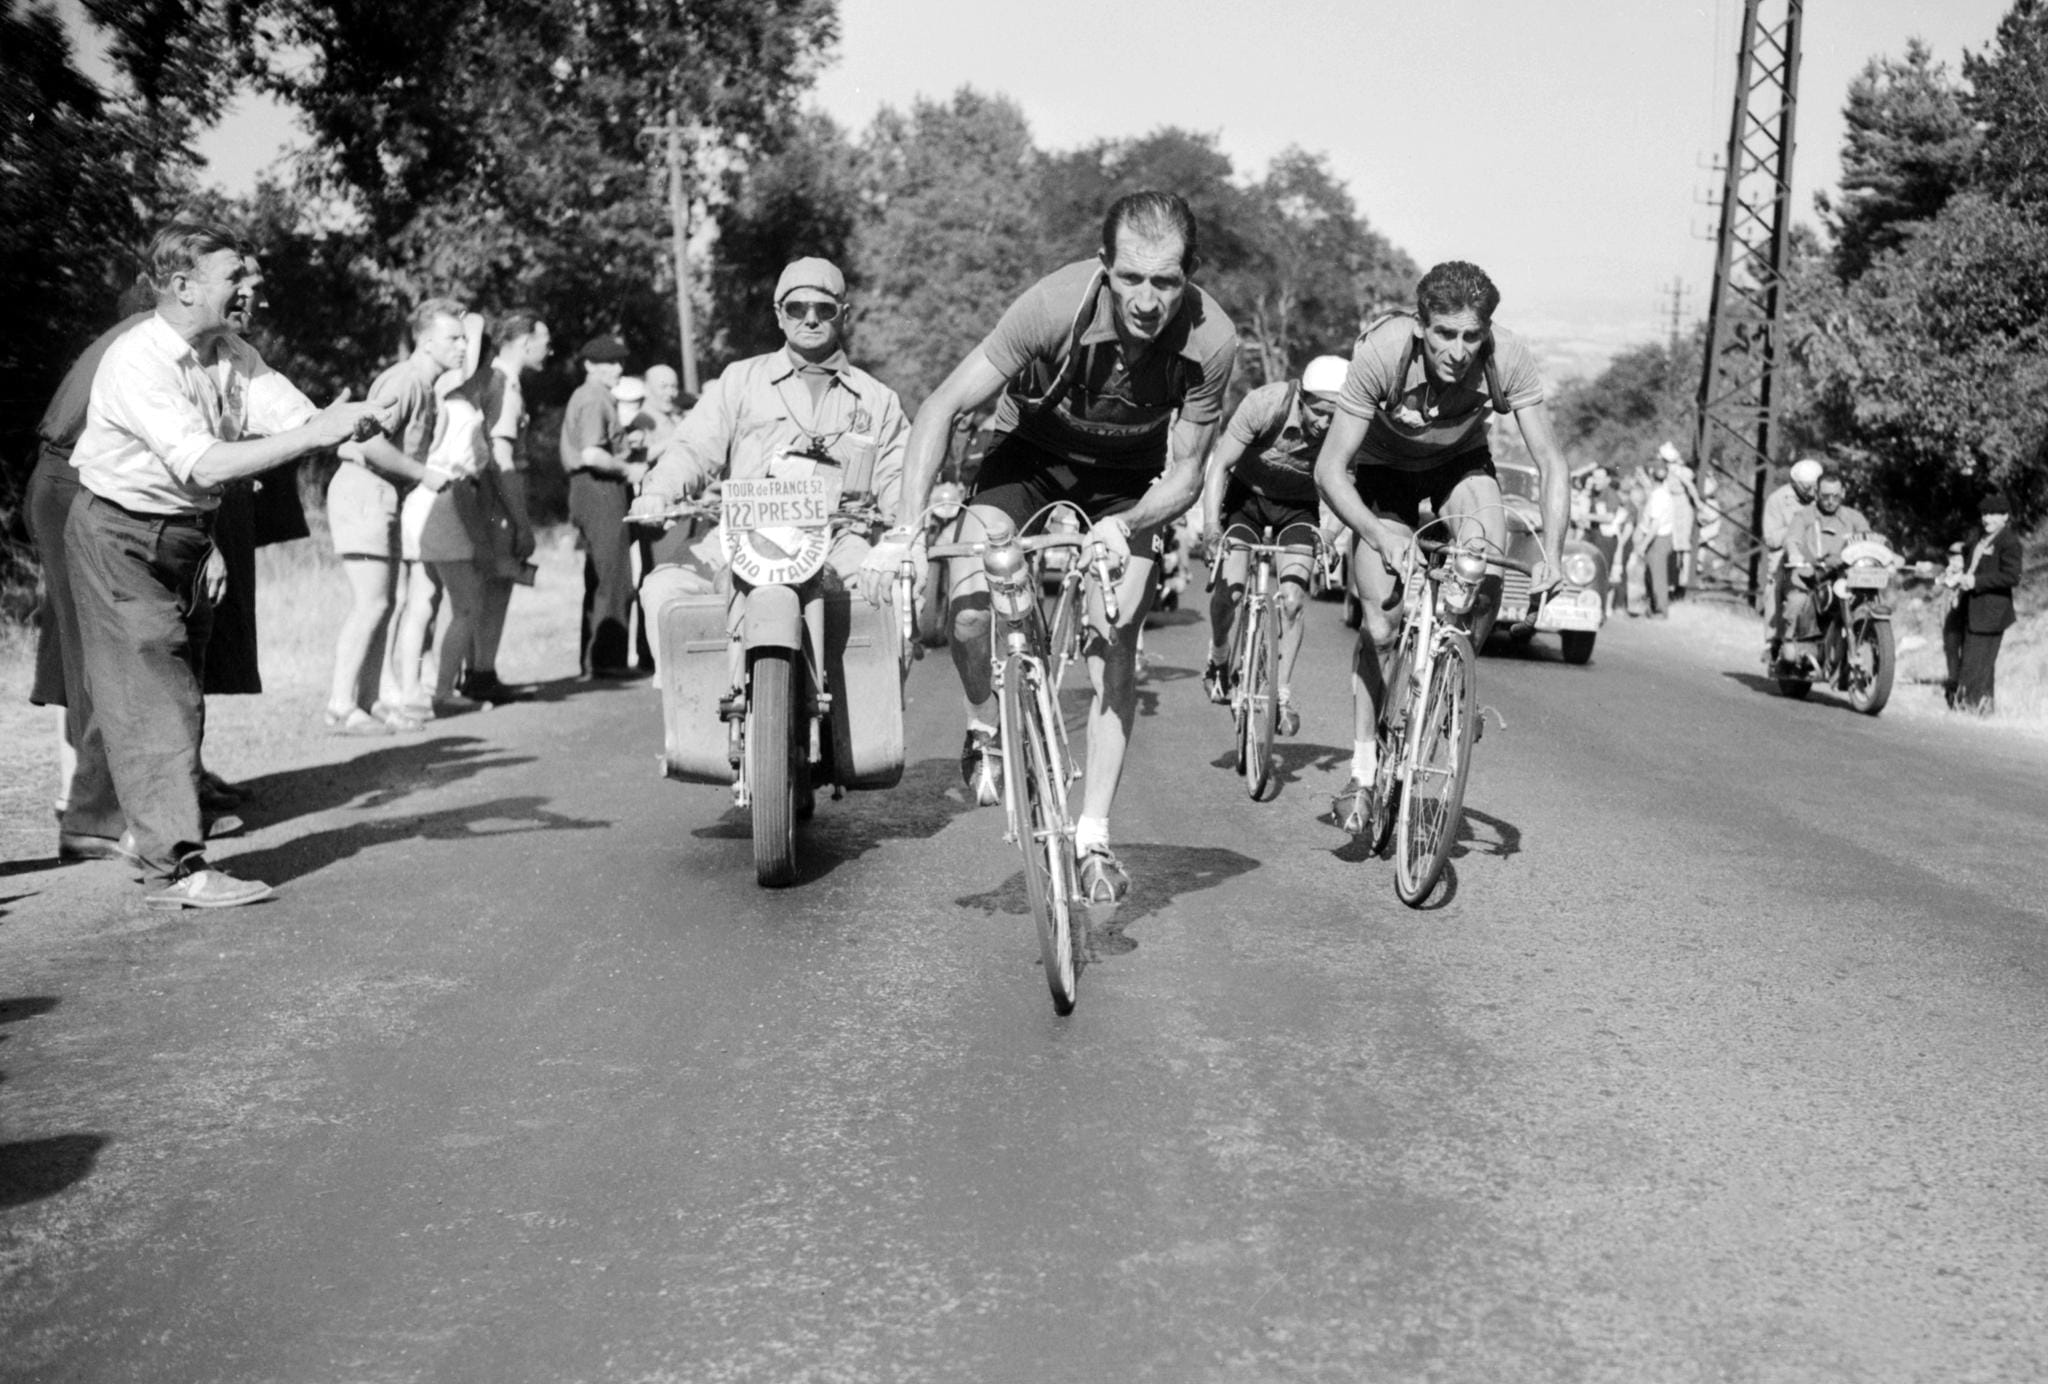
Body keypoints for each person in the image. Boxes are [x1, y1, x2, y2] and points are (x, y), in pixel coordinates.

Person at [856, 193, 1239, 904]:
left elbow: (1186, 470)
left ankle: (1093, 837)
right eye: (1130, 279)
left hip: (1129, 486)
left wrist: (1126, 527)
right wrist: (908, 532)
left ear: (1188, 279)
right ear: (1103, 267)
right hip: (1026, 459)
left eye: (1166, 282)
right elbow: (942, 405)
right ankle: (982, 727)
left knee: (1115, 638)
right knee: (970, 610)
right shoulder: (1051, 306)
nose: (1147, 300)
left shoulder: (1212, 341)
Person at [66, 219, 384, 907]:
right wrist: (319, 431)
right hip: (120, 536)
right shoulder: (139, 360)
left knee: (175, 688)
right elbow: (204, 460)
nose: (253, 286)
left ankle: (157, 835)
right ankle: (174, 868)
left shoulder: (231, 353)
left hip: (182, 531)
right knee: (157, 696)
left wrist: (353, 421)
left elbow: (294, 419)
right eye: (235, 275)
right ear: (182, 287)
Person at [1313, 261, 1567, 833]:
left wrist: (1552, 552)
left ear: (1487, 332)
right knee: (1380, 623)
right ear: (1422, 326)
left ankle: (1451, 681)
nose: (1458, 350)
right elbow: (1330, 468)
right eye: (1445, 334)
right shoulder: (1382, 352)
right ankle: (1361, 771)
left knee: (1485, 562)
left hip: (1458, 464)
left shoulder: (1509, 358)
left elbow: (1552, 461)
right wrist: (1377, 534)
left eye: (1471, 336)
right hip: (1384, 471)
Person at [630, 256, 910, 622]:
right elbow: (694, 447)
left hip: (837, 539)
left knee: (886, 594)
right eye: (797, 308)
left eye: (824, 309)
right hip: (739, 536)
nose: (810, 319)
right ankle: (704, 681)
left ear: (844, 314)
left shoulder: (877, 399)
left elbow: (897, 475)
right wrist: (660, 490)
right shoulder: (740, 381)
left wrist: (902, 525)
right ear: (779, 314)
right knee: (664, 591)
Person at [29, 289, 153, 859]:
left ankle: (105, 806)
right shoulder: (149, 341)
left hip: (77, 480)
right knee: (100, 653)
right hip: (76, 483)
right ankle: (95, 817)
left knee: (100, 649)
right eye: (238, 282)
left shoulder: (156, 336)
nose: (252, 300)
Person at [324, 297, 470, 733]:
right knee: (371, 604)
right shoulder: (406, 380)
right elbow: (366, 440)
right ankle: (340, 705)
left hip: (383, 495)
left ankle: (367, 702)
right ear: (425, 343)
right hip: (362, 490)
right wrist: (423, 474)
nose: (463, 346)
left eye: (464, 338)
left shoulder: (425, 387)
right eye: (454, 338)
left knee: (386, 604)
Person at [1199, 353, 1350, 737]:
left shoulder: (1349, 426)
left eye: (1335, 414)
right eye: (1319, 412)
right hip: (1246, 500)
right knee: (1230, 591)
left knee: (1293, 601)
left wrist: (1329, 537)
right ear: (1302, 399)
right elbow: (1219, 466)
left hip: (1298, 509)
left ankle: (1281, 694)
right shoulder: (1266, 405)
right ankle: (1219, 658)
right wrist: (1211, 530)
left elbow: (1349, 487)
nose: (1325, 423)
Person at [447, 309, 547, 703]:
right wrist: (522, 522)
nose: (549, 351)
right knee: (498, 582)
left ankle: (476, 671)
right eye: (545, 342)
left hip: (483, 491)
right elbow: (502, 456)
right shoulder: (504, 383)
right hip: (497, 495)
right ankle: (482, 672)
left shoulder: (489, 377)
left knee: (484, 584)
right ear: (525, 343)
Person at [561, 334, 648, 678]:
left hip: (595, 489)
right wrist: (629, 467)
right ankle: (607, 661)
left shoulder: (595, 396)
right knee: (613, 577)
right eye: (608, 362)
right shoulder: (594, 397)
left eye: (619, 361)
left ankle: (595, 659)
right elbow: (591, 453)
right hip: (598, 488)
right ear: (588, 366)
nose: (617, 368)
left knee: (602, 575)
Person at [1777, 472, 1871, 666]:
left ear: (1843, 493)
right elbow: (1792, 539)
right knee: (1798, 601)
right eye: (1825, 496)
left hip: (1846, 578)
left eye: (1835, 496)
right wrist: (1795, 553)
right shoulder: (1804, 516)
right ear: (1817, 494)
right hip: (1813, 577)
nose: (1830, 501)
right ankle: (1789, 645)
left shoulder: (1853, 518)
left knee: (1865, 599)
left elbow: (1869, 539)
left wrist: (1886, 556)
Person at [1951, 490, 2023, 712]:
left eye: (1993, 514)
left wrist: (1976, 582)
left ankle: (1968, 707)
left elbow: (2012, 576)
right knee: (1978, 661)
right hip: (1972, 609)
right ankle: (1982, 707)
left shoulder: (2009, 542)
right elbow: (1968, 563)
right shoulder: (1979, 540)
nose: (1987, 519)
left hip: (1992, 612)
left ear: (2005, 517)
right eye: (1984, 513)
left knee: (1977, 662)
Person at [1761, 457, 1824, 659]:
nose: (1813, 492)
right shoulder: (1778, 500)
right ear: (1795, 485)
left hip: (1818, 553)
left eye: (1816, 486)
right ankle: (1775, 640)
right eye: (1807, 487)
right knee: (1775, 585)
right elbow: (1770, 538)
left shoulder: (1823, 499)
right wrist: (1796, 527)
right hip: (1785, 556)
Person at [1640, 456, 1676, 618]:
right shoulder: (1662, 493)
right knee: (1655, 575)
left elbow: (1655, 525)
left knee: (1657, 577)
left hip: (1658, 539)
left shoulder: (1658, 497)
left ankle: (1660, 610)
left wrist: (1643, 543)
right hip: (1661, 539)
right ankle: (1655, 608)